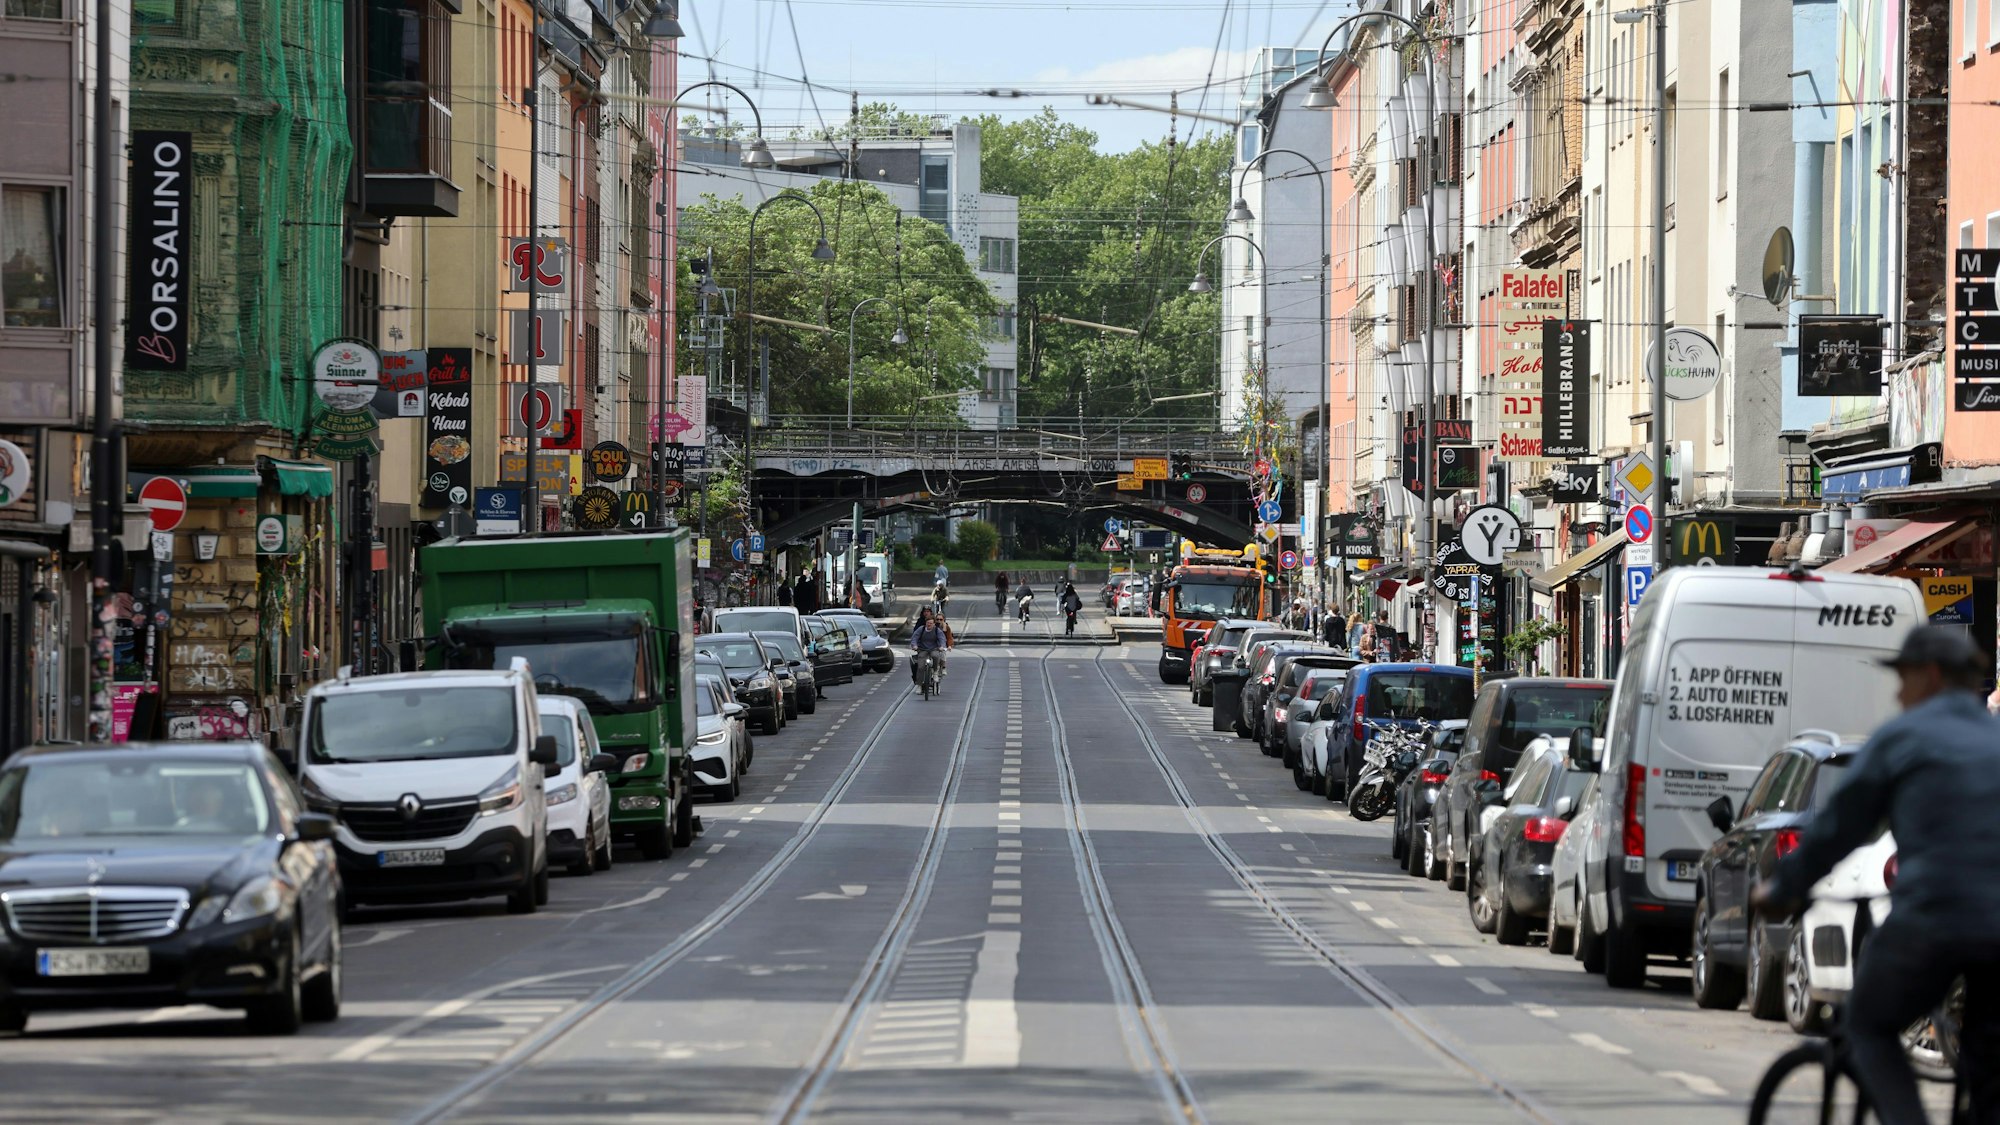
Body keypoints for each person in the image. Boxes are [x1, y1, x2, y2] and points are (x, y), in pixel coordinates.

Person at [1754, 625, 2000, 1125]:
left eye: (1903, 680)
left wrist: (1784, 888)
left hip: (1935, 917)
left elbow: (1839, 828)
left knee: (1868, 1025)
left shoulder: (1903, 738)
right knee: (1988, 1063)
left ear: (1930, 676)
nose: (1898, 693)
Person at [911, 607, 949, 684]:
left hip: (933, 649)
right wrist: (914, 645)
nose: (929, 625)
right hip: (923, 649)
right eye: (928, 623)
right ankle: (919, 685)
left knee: (936, 656)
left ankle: (935, 672)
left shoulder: (936, 630)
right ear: (926, 623)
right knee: (920, 667)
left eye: (931, 623)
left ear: (934, 624)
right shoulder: (921, 629)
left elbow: (942, 638)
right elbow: (915, 637)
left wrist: (942, 646)